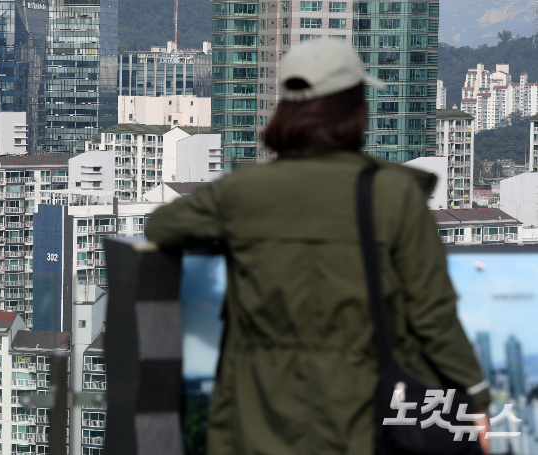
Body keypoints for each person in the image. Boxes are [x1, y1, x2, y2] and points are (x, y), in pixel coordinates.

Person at [144, 40, 490, 455]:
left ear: (286, 109)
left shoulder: (245, 191)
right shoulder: (391, 194)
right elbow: (433, 314)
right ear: (356, 109)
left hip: (258, 410)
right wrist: (475, 395)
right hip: (360, 411)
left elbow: (162, 225)